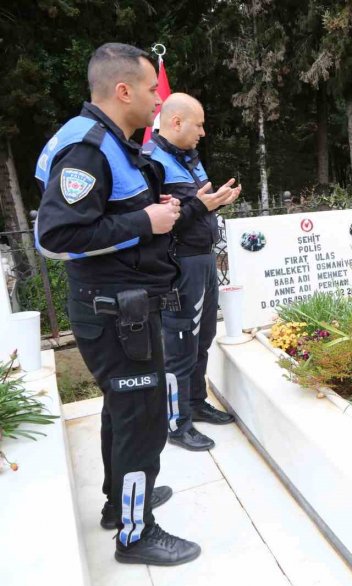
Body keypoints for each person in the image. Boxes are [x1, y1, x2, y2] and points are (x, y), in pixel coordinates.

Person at [34, 43, 200, 565]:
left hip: (124, 305)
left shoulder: (114, 143)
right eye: (153, 89)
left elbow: (103, 213)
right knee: (142, 418)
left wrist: (155, 211)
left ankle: (118, 502)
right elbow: (55, 235)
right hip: (113, 311)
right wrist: (143, 222)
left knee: (125, 410)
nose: (159, 99)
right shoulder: (87, 148)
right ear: (123, 90)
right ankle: (136, 533)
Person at [143, 93, 241, 452]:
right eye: (198, 124)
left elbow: (197, 205)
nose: (203, 131)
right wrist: (202, 205)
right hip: (179, 263)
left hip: (203, 258)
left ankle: (196, 402)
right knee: (180, 344)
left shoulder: (189, 159)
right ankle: (176, 421)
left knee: (202, 336)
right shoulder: (153, 162)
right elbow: (159, 221)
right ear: (176, 122)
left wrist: (215, 201)